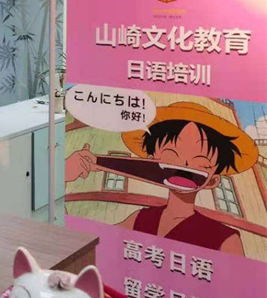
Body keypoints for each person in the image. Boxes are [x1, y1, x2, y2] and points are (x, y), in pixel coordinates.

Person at [66, 102, 259, 255]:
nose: (184, 165)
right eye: (171, 155)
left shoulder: (225, 239)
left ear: (213, 181)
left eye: (200, 161)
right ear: (152, 162)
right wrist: (66, 175)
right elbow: (87, 245)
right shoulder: (141, 219)